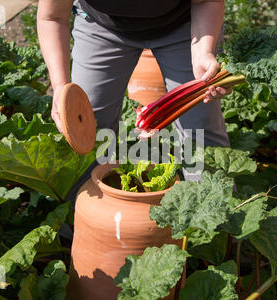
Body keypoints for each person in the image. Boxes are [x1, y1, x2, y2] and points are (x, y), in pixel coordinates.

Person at [37, 0, 232, 198]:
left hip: (184, 26)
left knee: (199, 132)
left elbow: (207, 0)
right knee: (84, 127)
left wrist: (203, 53)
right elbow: (52, 17)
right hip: (101, 26)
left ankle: (217, 219)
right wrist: (60, 86)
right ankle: (76, 220)